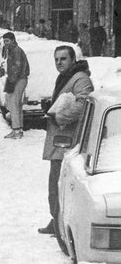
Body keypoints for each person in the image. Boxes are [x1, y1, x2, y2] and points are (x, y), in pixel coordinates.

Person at [38, 46, 93, 235]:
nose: (59, 63)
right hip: (60, 140)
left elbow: (83, 105)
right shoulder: (67, 77)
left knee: (60, 183)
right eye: (56, 59)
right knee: (55, 183)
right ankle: (56, 219)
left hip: (68, 141)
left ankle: (61, 223)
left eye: (63, 59)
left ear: (73, 60)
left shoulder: (80, 79)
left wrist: (58, 116)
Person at [2, 32, 30, 139]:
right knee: (13, 103)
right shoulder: (11, 50)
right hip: (13, 79)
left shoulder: (17, 51)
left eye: (7, 41)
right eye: (4, 41)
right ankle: (18, 128)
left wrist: (11, 82)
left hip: (18, 79)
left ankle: (16, 131)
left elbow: (16, 68)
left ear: (13, 40)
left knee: (14, 104)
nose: (5, 43)